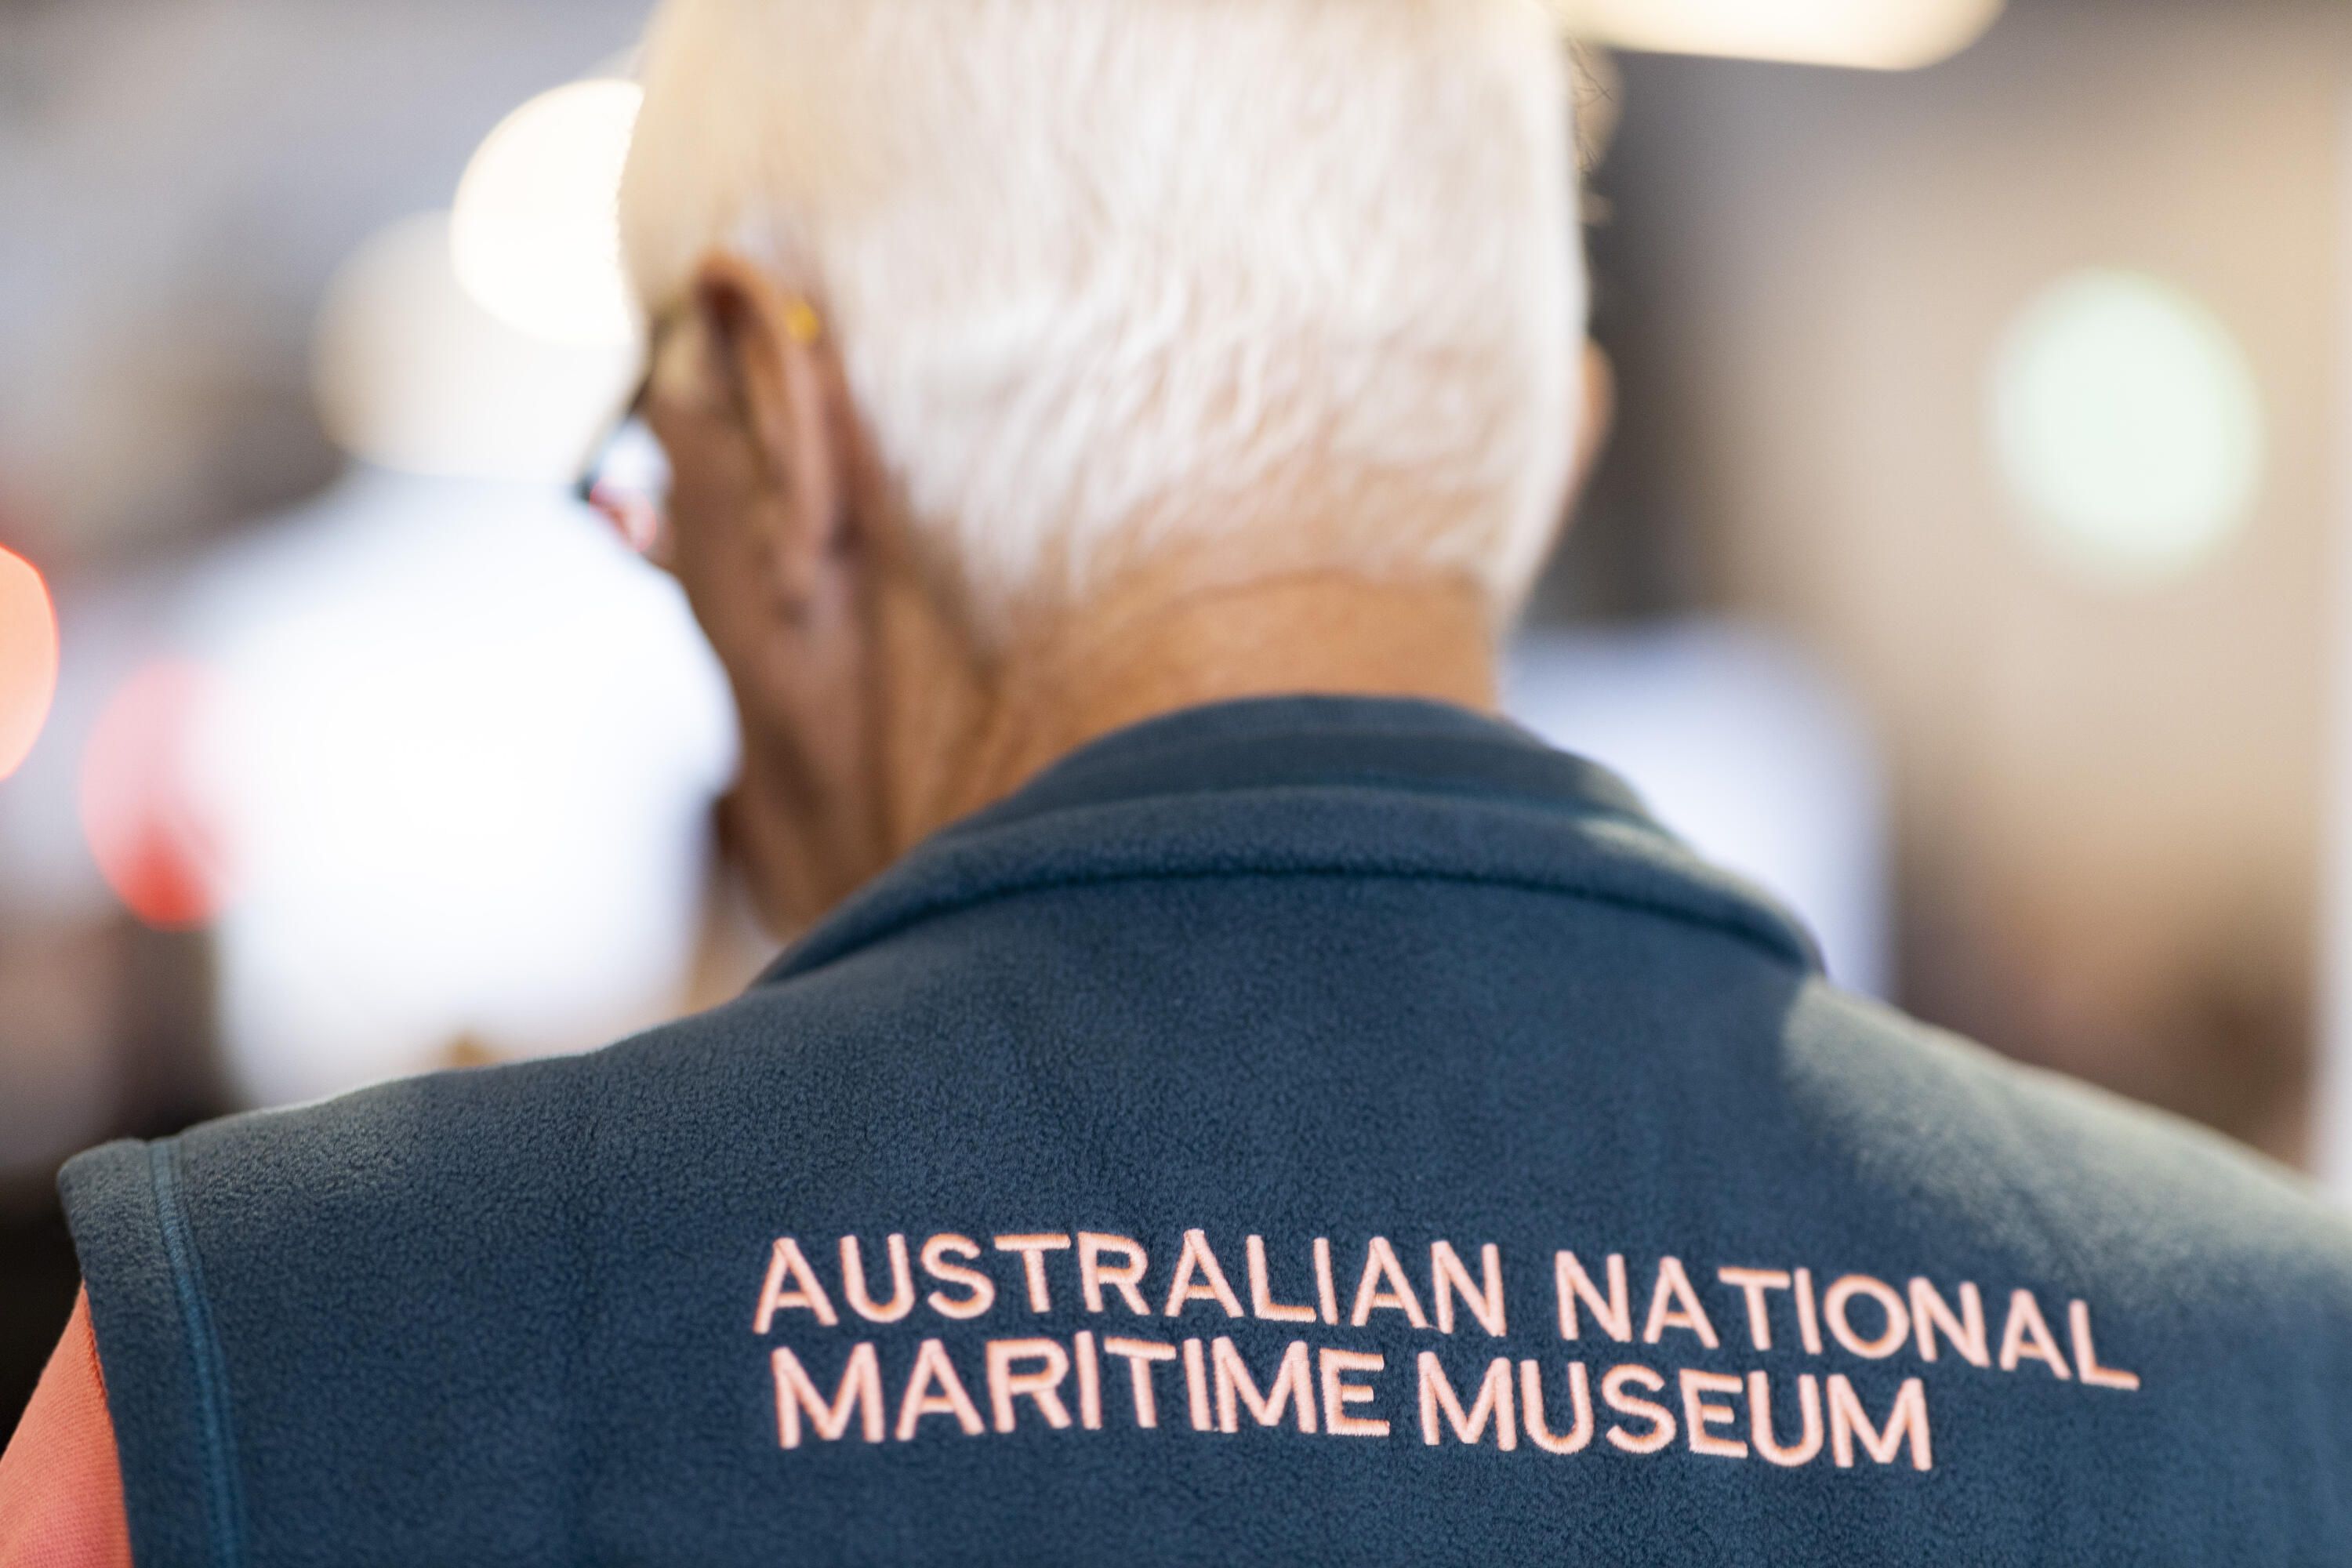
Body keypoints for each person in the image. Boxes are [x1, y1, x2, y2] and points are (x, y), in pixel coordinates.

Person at [5, 0, 2351, 1561]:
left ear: (781, 420)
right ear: (1537, 454)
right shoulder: (2280, 1373)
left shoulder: (286, 1371)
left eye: (653, 461)